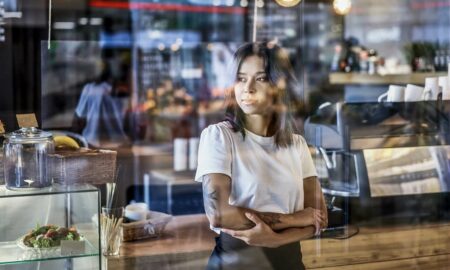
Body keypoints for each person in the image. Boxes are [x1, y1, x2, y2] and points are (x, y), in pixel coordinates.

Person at [194, 42, 328, 270]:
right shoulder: (218, 137)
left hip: (291, 263)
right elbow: (219, 214)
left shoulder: (297, 144)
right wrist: (294, 220)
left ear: (279, 86)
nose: (248, 88)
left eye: (261, 78)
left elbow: (319, 217)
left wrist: (276, 239)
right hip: (237, 262)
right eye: (241, 78)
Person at [73, 60, 130, 148]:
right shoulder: (127, 92)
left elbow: (78, 119)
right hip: (119, 143)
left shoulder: (89, 89)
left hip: (92, 142)